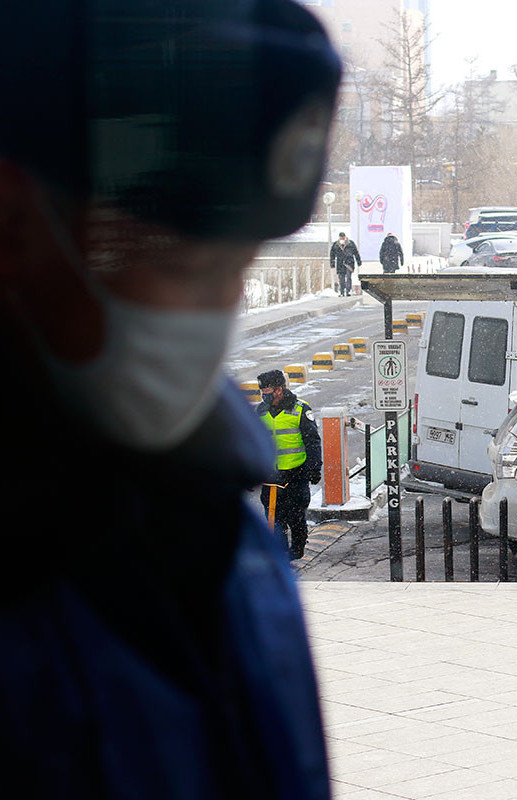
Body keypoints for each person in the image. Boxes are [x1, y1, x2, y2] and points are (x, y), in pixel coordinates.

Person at [0, 1, 339, 796]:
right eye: (181, 271)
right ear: (13, 225)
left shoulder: (225, 536)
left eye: (235, 274)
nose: (213, 319)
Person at [257, 370, 323, 560]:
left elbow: (312, 441)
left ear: (279, 389)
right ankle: (280, 555)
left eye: (267, 389)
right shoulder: (260, 412)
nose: (264, 394)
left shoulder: (300, 409)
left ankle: (297, 550)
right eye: (261, 390)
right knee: (274, 520)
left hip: (296, 475)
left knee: (296, 518)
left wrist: (313, 468)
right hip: (270, 477)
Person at [330, 231, 361, 296]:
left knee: (348, 277)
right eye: (341, 237)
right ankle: (342, 291)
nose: (342, 238)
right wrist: (332, 262)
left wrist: (358, 261)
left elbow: (356, 252)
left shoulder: (351, 243)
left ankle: (348, 291)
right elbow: (332, 254)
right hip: (340, 263)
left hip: (349, 263)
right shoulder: (336, 244)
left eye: (343, 237)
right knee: (341, 278)